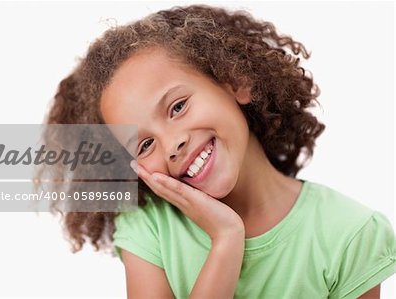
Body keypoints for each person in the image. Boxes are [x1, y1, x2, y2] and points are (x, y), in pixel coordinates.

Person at [46, 5, 396, 298]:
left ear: (235, 82)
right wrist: (226, 239)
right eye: (145, 144)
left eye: (178, 107)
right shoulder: (149, 227)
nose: (172, 144)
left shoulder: (350, 234)